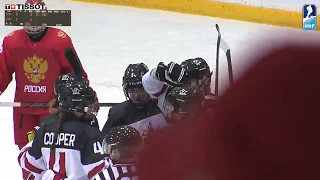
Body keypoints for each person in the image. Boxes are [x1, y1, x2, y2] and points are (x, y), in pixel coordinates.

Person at [137, 36, 320, 180]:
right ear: (188, 81)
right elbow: (148, 82)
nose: (207, 83)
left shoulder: (214, 105)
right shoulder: (170, 94)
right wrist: (162, 71)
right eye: (201, 80)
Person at [0, 0, 99, 179]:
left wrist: (88, 99)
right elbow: (2, 72)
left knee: (55, 154)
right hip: (25, 112)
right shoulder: (11, 41)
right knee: (29, 156)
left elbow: (76, 74)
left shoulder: (60, 40)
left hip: (55, 110)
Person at [18, 77, 105, 179]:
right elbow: (101, 173)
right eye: (89, 105)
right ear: (76, 107)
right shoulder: (89, 134)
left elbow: (28, 162)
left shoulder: (44, 127)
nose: (92, 109)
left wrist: (33, 143)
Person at [102, 63, 167, 137]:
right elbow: (103, 142)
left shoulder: (162, 107)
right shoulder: (117, 114)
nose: (136, 96)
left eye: (140, 90)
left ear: (148, 87)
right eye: (132, 91)